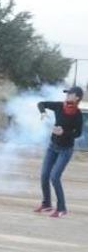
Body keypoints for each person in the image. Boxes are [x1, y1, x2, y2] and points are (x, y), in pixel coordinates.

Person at [34, 87, 84, 218]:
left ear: (77, 97)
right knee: (44, 175)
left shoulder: (77, 115)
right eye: (67, 93)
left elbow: (78, 133)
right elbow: (41, 104)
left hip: (65, 150)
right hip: (52, 146)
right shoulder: (58, 106)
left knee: (54, 177)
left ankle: (62, 208)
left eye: (70, 94)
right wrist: (43, 113)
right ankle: (46, 204)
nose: (67, 96)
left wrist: (64, 132)